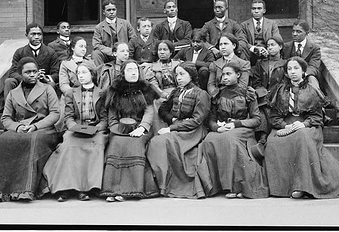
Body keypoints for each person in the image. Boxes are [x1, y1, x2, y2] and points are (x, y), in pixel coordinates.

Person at [265, 57, 339, 199]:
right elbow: (274, 117)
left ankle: (303, 186)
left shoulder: (312, 89)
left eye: (296, 68)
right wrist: (285, 125)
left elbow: (317, 117)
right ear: (286, 73)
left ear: (303, 71)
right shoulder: (281, 90)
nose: (293, 72)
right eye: (289, 69)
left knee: (302, 137)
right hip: (286, 124)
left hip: (308, 126)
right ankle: (281, 188)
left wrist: (303, 124)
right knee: (273, 143)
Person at [0, 57, 60, 202]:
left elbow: (55, 113)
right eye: (28, 72)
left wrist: (35, 126)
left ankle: (25, 190)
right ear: (21, 74)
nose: (32, 75)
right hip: (21, 128)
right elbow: (6, 118)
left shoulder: (47, 89)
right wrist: (18, 126)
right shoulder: (13, 93)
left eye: (34, 71)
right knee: (2, 141)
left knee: (33, 140)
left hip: (44, 129)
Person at [197, 62, 269, 199]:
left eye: (228, 74)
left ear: (238, 75)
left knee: (230, 140)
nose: (225, 77)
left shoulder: (248, 93)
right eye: (223, 74)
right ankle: (216, 185)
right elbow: (211, 119)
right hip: (223, 128)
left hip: (242, 129)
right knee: (209, 140)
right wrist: (217, 128)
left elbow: (256, 119)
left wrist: (236, 124)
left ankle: (238, 186)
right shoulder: (218, 94)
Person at [41, 63, 108, 202]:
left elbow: (104, 118)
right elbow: (68, 117)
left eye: (84, 72)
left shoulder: (102, 93)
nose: (81, 76)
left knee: (96, 146)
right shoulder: (71, 93)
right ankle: (64, 188)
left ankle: (84, 188)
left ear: (92, 74)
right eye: (79, 73)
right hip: (76, 129)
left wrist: (96, 128)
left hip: (95, 130)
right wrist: (74, 127)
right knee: (68, 146)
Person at [146, 62, 211, 199]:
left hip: (193, 131)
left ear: (192, 76)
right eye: (177, 75)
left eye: (182, 74)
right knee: (156, 142)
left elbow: (197, 120)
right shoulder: (176, 91)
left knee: (160, 141)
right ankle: (161, 184)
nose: (178, 78)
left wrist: (172, 128)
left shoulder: (201, 94)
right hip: (177, 127)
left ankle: (168, 184)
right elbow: (163, 109)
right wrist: (173, 120)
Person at [100, 60, 160, 202]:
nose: (133, 72)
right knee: (115, 143)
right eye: (129, 70)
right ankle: (112, 190)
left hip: (141, 128)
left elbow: (149, 112)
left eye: (135, 70)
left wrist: (142, 128)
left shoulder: (146, 89)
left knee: (134, 144)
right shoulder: (114, 90)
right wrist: (117, 130)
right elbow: (112, 117)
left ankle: (130, 190)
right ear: (123, 72)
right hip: (120, 129)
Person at [282, 20, 339, 126]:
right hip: (290, 78)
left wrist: (302, 75)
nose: (295, 34)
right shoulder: (286, 47)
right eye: (293, 31)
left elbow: (313, 67)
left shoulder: (314, 48)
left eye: (298, 31)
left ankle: (321, 111)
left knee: (312, 79)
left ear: (307, 32)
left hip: (307, 77)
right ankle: (323, 111)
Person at [4, 23, 60, 100]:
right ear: (26, 35)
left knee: (51, 84)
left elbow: (56, 74)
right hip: (24, 82)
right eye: (33, 34)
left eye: (39, 34)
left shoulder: (51, 52)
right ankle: (9, 108)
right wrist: (26, 78)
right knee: (9, 81)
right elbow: (13, 72)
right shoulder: (20, 52)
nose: (37, 37)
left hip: (42, 82)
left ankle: (49, 109)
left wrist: (45, 77)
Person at [251, 36, 286, 145]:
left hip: (279, 94)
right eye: (268, 45)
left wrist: (275, 93)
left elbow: (285, 83)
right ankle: (262, 134)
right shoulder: (260, 63)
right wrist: (262, 92)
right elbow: (256, 81)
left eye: (273, 45)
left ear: (280, 47)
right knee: (261, 108)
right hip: (263, 94)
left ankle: (267, 134)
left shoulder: (285, 63)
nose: (269, 48)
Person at [57, 37, 96, 132]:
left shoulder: (90, 63)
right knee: (64, 114)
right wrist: (73, 93)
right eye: (81, 46)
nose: (84, 49)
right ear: (73, 48)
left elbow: (95, 80)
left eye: (85, 47)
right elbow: (63, 84)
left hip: (88, 91)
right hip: (71, 94)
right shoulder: (65, 63)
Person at [91, 0, 136, 66]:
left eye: (113, 10)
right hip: (108, 54)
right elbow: (96, 45)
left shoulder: (125, 24)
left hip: (124, 53)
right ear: (104, 12)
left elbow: (133, 39)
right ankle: (101, 73)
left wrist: (124, 50)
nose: (111, 12)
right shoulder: (99, 27)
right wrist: (111, 51)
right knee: (95, 53)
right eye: (109, 10)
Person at [239, 0, 283, 65]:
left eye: (259, 8)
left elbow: (277, 39)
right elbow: (243, 42)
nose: (256, 11)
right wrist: (254, 48)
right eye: (254, 9)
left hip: (267, 54)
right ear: (251, 11)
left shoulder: (272, 24)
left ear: (264, 10)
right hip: (250, 55)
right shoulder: (244, 25)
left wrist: (268, 49)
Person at [207, 33, 251, 99]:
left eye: (226, 44)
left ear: (233, 45)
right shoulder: (214, 64)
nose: (223, 47)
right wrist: (216, 96)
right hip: (218, 98)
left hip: (236, 98)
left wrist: (229, 96)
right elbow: (211, 84)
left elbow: (243, 86)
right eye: (220, 44)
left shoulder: (243, 64)